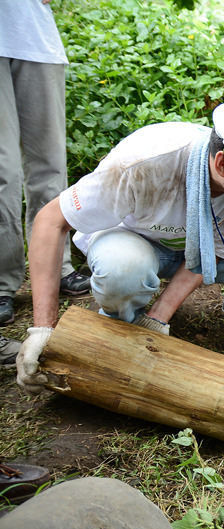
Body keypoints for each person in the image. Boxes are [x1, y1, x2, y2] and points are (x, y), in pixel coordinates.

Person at [15, 78, 224, 393]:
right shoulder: (143, 164)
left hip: (194, 251)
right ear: (223, 165)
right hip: (132, 242)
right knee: (123, 269)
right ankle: (120, 327)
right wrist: (43, 329)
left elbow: (212, 246)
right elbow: (50, 220)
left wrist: (159, 318)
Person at [0, 0, 91, 365]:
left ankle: (58, 268)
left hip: (34, 35)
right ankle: (3, 283)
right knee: (3, 173)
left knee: (50, 166)